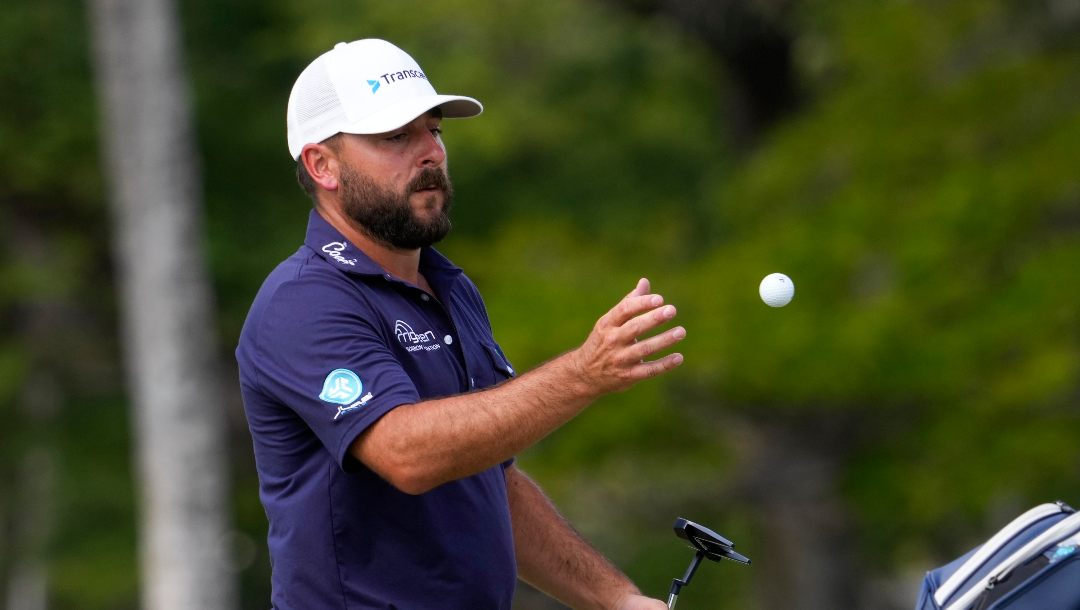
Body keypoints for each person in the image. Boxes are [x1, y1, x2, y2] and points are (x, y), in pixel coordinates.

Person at [236, 38, 686, 610]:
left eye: (434, 130)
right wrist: (582, 374)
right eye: (396, 136)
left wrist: (617, 600)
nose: (430, 152)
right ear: (322, 165)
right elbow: (409, 454)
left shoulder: (449, 287)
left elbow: (488, 481)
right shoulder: (302, 301)